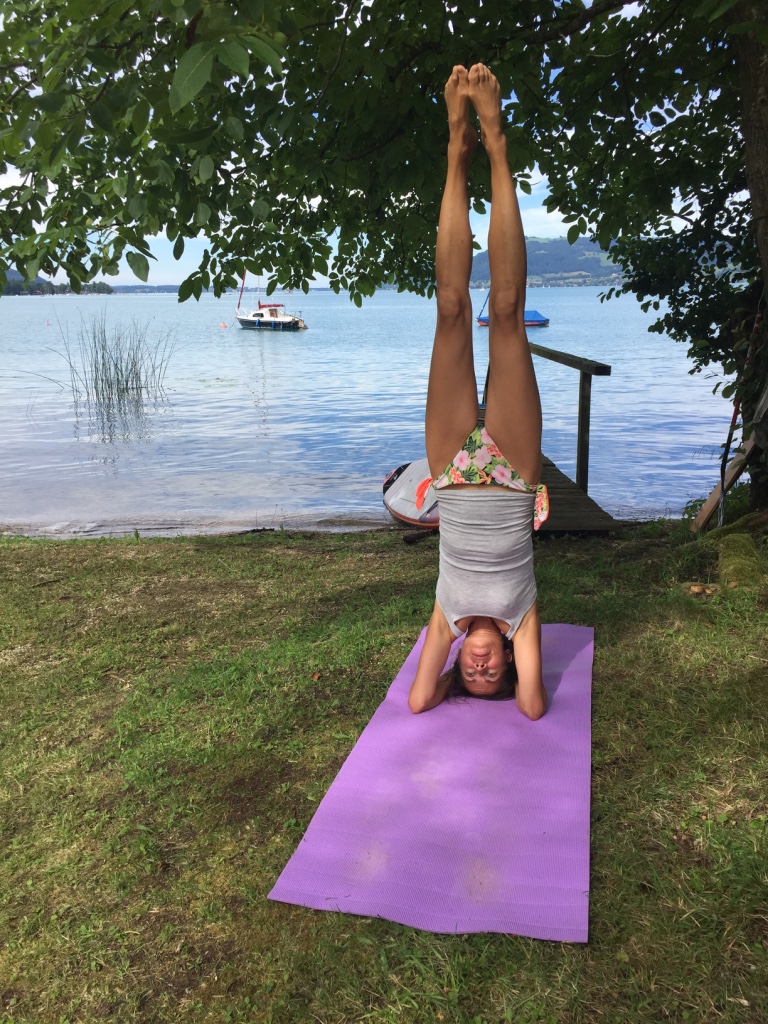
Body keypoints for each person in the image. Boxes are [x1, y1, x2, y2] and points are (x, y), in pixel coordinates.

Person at [407, 64, 548, 721]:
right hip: (514, 474)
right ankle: (495, 143)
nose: (483, 669)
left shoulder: (448, 618)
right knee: (510, 310)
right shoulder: (521, 622)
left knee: (450, 309)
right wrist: (518, 670)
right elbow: (531, 709)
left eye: (473, 676)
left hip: (453, 471)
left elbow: (415, 702)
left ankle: (453, 148)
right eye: (494, 675)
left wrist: (445, 675)